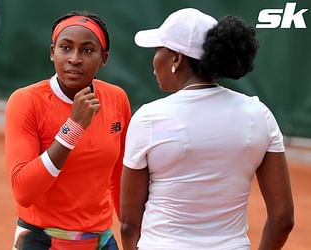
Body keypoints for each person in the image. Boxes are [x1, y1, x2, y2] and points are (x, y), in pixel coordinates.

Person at [120, 8, 294, 250]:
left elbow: (129, 223)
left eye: (159, 49)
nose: (154, 59)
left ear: (176, 59)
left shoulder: (149, 117)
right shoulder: (259, 114)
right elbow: (283, 219)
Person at [5, 10, 132, 249]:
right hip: (39, 241)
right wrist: (73, 128)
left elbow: (119, 177)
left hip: (101, 241)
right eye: (66, 48)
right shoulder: (25, 101)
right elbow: (23, 191)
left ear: (103, 58)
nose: (75, 58)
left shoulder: (117, 98)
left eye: (87, 50)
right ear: (52, 52)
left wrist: (131, 233)